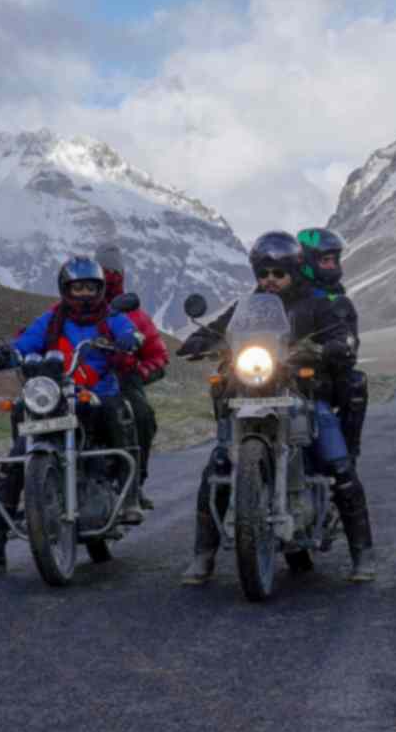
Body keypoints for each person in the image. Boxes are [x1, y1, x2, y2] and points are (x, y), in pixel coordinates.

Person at [177, 230, 377, 585]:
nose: (270, 281)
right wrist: (198, 340)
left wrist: (330, 346)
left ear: (295, 272)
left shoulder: (318, 305)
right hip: (248, 399)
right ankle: (202, 555)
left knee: (339, 463)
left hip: (303, 395)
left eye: (278, 273)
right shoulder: (245, 308)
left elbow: (341, 336)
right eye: (263, 274)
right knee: (218, 466)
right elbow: (217, 330)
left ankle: (363, 552)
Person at [0, 256, 142, 577]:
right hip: (55, 394)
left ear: (101, 289)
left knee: (119, 413)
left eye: (91, 287)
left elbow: (127, 331)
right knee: (15, 458)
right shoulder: (51, 319)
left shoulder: (111, 318)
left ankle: (129, 498)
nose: (85, 294)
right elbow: (25, 343)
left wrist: (130, 339)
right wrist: (6, 354)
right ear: (65, 289)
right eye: (78, 288)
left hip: (97, 391)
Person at [95, 243, 166, 516]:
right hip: (80, 380)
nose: (108, 275)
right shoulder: (73, 309)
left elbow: (159, 358)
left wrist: (138, 373)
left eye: (113, 270)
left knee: (141, 416)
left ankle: (135, 484)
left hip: (123, 381)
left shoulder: (135, 316)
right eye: (102, 270)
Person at [296, 227, 370, 458]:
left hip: (322, 373)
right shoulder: (286, 289)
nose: (331, 265)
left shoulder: (337, 298)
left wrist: (333, 348)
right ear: (307, 261)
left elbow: (349, 337)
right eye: (325, 260)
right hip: (278, 371)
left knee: (355, 383)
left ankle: (347, 459)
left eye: (334, 260)